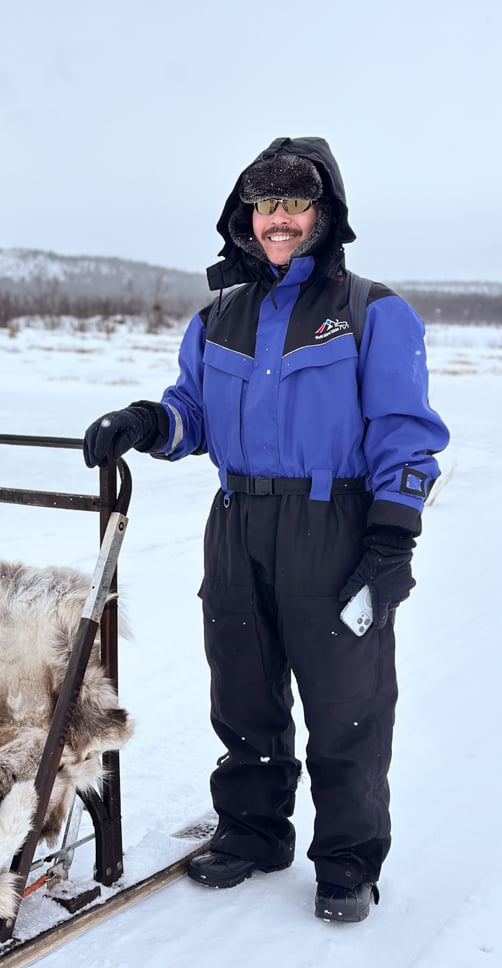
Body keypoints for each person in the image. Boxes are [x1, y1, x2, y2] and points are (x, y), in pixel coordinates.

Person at [83, 136, 449, 923]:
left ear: (324, 213)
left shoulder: (371, 311)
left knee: (347, 704)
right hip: (237, 521)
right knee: (243, 691)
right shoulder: (220, 315)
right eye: (266, 204)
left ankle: (347, 860)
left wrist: (392, 539)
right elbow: (192, 410)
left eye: (295, 202)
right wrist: (146, 420)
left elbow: (405, 432)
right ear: (245, 215)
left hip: (333, 523)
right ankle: (252, 831)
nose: (279, 219)